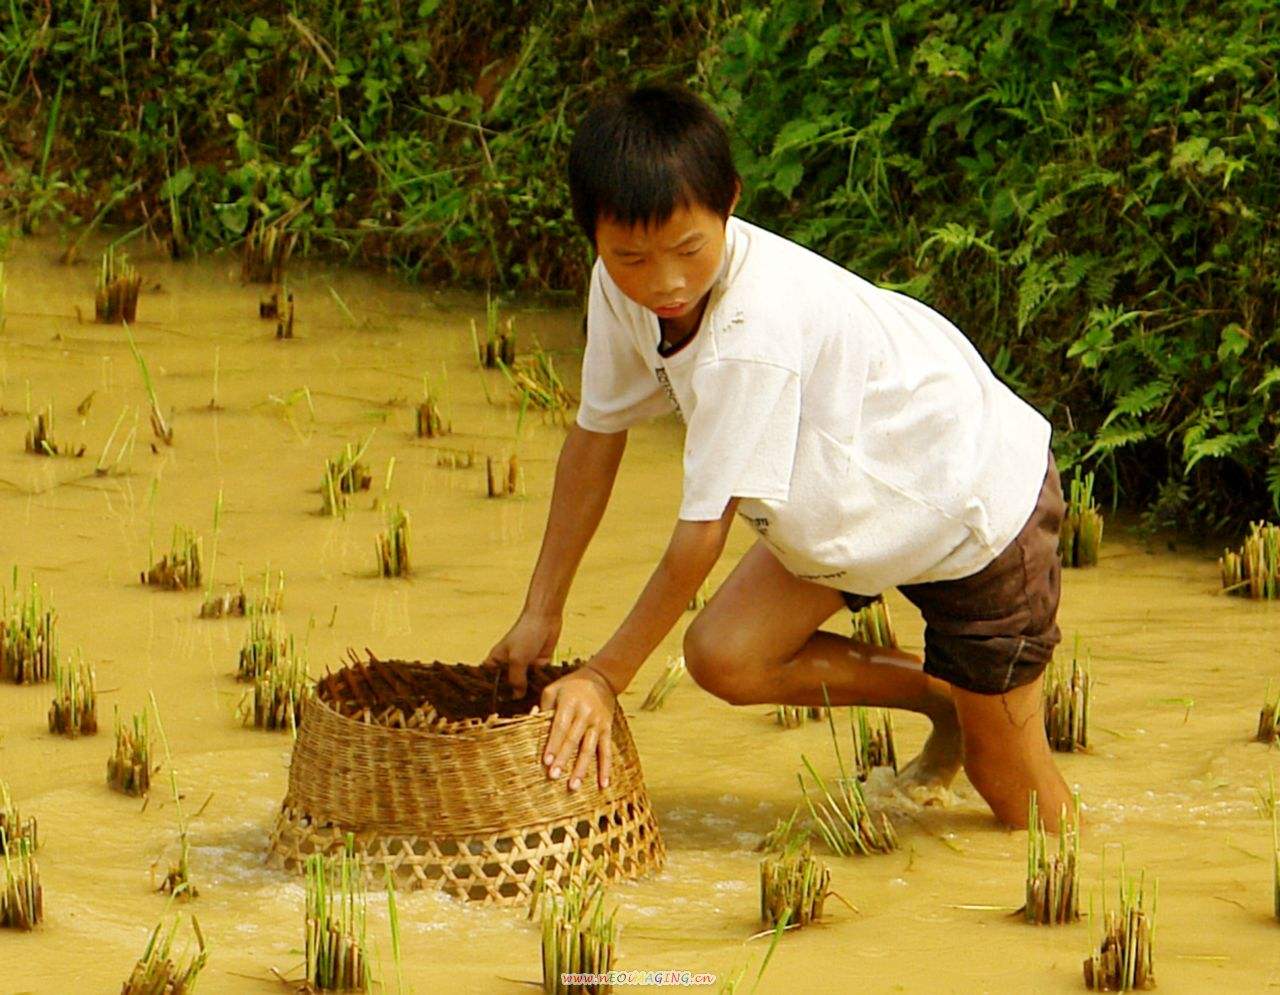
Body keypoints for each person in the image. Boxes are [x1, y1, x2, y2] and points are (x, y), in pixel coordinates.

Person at [484, 84, 1073, 831]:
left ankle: (1048, 824)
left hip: (972, 507)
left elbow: (701, 533)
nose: (664, 283)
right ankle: (945, 698)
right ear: (595, 237)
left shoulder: (749, 332)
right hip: (861, 506)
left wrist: (604, 676)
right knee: (727, 655)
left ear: (730, 202)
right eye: (631, 257)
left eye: (689, 250)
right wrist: (541, 610)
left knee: (1015, 796)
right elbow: (596, 436)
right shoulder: (618, 287)